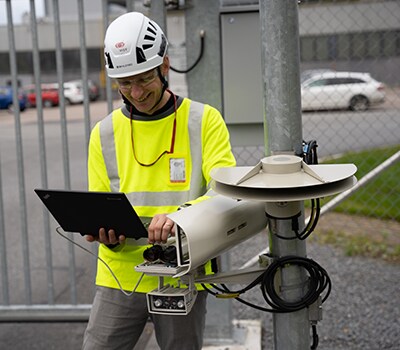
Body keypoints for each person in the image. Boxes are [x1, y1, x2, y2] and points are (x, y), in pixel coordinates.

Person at [82, 11, 236, 350]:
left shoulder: (203, 120)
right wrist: (104, 232)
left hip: (181, 273)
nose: (136, 93)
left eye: (144, 79)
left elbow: (225, 194)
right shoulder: (104, 133)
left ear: (165, 66)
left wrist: (179, 217)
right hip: (119, 274)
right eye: (125, 84)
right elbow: (100, 202)